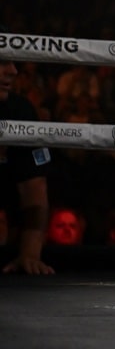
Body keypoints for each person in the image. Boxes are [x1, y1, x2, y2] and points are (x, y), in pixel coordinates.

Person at [0, 55, 54, 274]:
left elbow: (34, 186)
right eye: (1, 62)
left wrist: (31, 253)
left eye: (13, 62)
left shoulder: (20, 111)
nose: (12, 71)